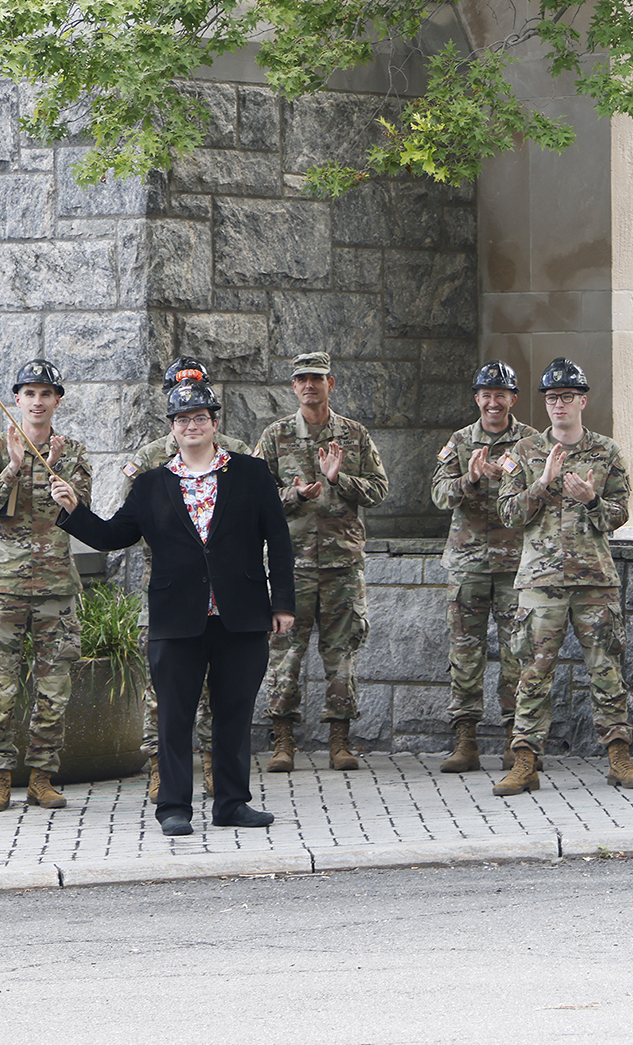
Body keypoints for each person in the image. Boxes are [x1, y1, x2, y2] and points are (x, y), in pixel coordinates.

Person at [53, 382, 295, 836]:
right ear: (172, 428)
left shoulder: (251, 473)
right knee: (174, 716)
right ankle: (173, 807)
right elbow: (113, 536)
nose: (192, 425)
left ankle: (231, 804)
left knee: (234, 713)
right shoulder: (150, 484)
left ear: (214, 423)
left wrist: (282, 603)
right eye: (183, 419)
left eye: (200, 417)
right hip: (176, 618)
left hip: (241, 614)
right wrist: (74, 511)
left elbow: (279, 541)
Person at [493, 358, 633, 793]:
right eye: (553, 397)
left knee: (607, 669)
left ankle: (619, 757)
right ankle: (525, 761)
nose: (559, 404)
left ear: (582, 401)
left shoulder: (607, 452)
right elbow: (508, 513)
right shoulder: (523, 452)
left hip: (594, 580)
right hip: (541, 582)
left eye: (568, 397)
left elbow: (620, 514)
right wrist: (542, 483)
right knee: (533, 673)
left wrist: (592, 500)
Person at [0, 358, 92, 813]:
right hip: (5, 587)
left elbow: (82, 514)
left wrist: (57, 476)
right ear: (17, 399)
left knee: (53, 690)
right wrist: (15, 467)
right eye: (30, 394)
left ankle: (42, 778)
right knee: (0, 688)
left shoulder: (72, 452)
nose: (38, 402)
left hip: (56, 587)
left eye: (46, 394)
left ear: (57, 400)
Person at [122, 357, 250, 803]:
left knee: (223, 688)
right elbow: (134, 520)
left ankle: (217, 769)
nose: (189, 414)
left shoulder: (237, 453)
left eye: (197, 402)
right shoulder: (149, 458)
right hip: (171, 590)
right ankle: (162, 769)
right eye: (179, 399)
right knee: (165, 690)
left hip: (226, 592)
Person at [254, 351, 389, 772]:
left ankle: (340, 741)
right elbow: (253, 499)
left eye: (317, 378)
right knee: (285, 654)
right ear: (293, 386)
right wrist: (293, 495)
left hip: (342, 566)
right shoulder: (275, 436)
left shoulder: (354, 434)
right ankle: (282, 741)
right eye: (302, 379)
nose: (309, 385)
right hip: (291, 566)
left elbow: (379, 490)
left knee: (341, 655)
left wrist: (338, 479)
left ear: (331, 383)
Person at [429, 360, 540, 773]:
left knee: (518, 653)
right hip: (468, 564)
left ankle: (516, 737)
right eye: (486, 395)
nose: (494, 402)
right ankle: (466, 740)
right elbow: (439, 495)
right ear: (477, 399)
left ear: (513, 398)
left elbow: (542, 492)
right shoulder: (459, 441)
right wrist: (469, 479)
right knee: (465, 653)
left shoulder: (530, 441)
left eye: (501, 395)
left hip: (516, 564)